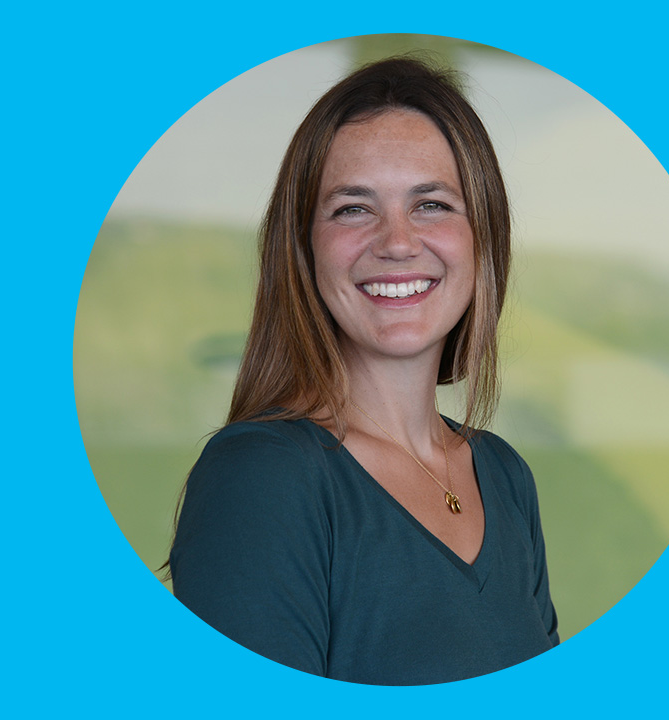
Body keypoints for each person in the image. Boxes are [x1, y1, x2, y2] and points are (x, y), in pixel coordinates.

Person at [167, 55, 559, 685]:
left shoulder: (505, 477)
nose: (397, 242)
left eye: (431, 204)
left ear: (483, 235)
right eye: (353, 209)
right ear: (304, 249)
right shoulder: (263, 479)